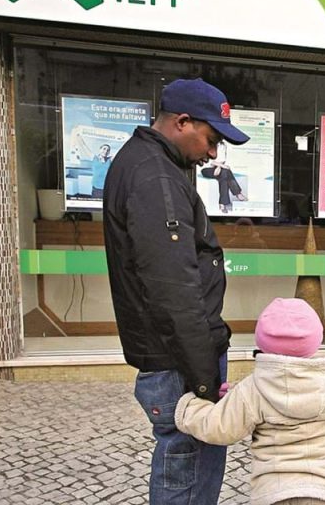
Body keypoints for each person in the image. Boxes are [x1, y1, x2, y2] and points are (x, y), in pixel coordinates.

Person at [103, 78, 250, 504]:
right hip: (178, 358)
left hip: (178, 352)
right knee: (184, 464)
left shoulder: (155, 167)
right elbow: (173, 286)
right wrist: (203, 378)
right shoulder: (155, 177)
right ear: (182, 122)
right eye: (210, 139)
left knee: (191, 460)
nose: (212, 153)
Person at [175, 298, 325, 505]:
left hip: (273, 492)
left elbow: (218, 426)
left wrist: (189, 406)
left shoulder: (253, 387)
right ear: (317, 338)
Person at [200, 140, 247, 213]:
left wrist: (219, 167)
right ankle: (237, 193)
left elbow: (222, 159)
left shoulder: (223, 145)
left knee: (224, 174)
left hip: (218, 168)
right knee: (226, 171)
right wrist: (221, 166)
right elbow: (209, 161)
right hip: (206, 169)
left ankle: (222, 203)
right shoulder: (209, 144)